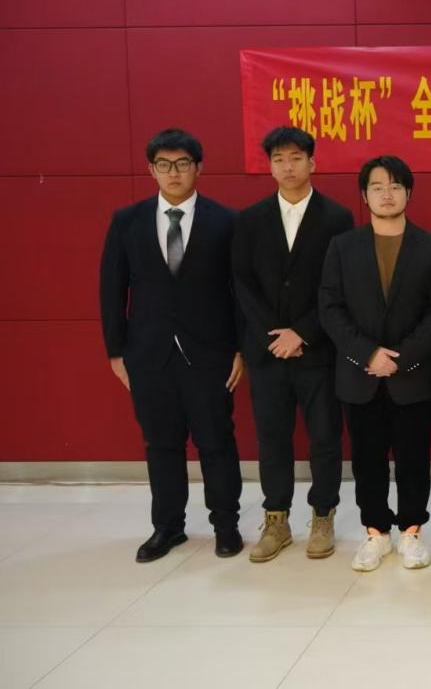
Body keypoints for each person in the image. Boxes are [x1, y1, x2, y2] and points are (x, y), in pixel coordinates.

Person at [99, 128, 245, 562]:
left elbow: (240, 292)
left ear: (199, 168)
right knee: (160, 444)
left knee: (216, 441)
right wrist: (115, 352)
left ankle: (226, 526)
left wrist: (241, 349)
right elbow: (112, 289)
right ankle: (168, 527)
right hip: (148, 355)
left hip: (211, 353)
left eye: (182, 164)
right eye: (164, 165)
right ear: (151, 170)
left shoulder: (227, 221)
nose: (173, 173)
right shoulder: (127, 221)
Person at [318, 156, 431, 572]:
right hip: (359, 374)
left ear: (408, 193)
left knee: (414, 456)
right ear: (365, 195)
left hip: (412, 375)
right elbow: (330, 308)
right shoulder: (342, 247)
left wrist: (401, 358)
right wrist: (368, 353)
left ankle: (411, 530)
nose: (387, 194)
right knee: (366, 459)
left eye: (395, 186)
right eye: (377, 187)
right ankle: (375, 532)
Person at [233, 126, 354, 563]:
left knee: (324, 436)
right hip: (267, 351)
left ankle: (323, 516)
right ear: (269, 166)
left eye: (296, 158)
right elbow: (242, 284)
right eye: (279, 159)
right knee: (272, 437)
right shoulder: (249, 220)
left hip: (318, 350)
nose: (288, 167)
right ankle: (276, 519)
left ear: (312, 163)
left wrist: (301, 332)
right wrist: (275, 334)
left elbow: (340, 286)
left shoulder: (337, 218)